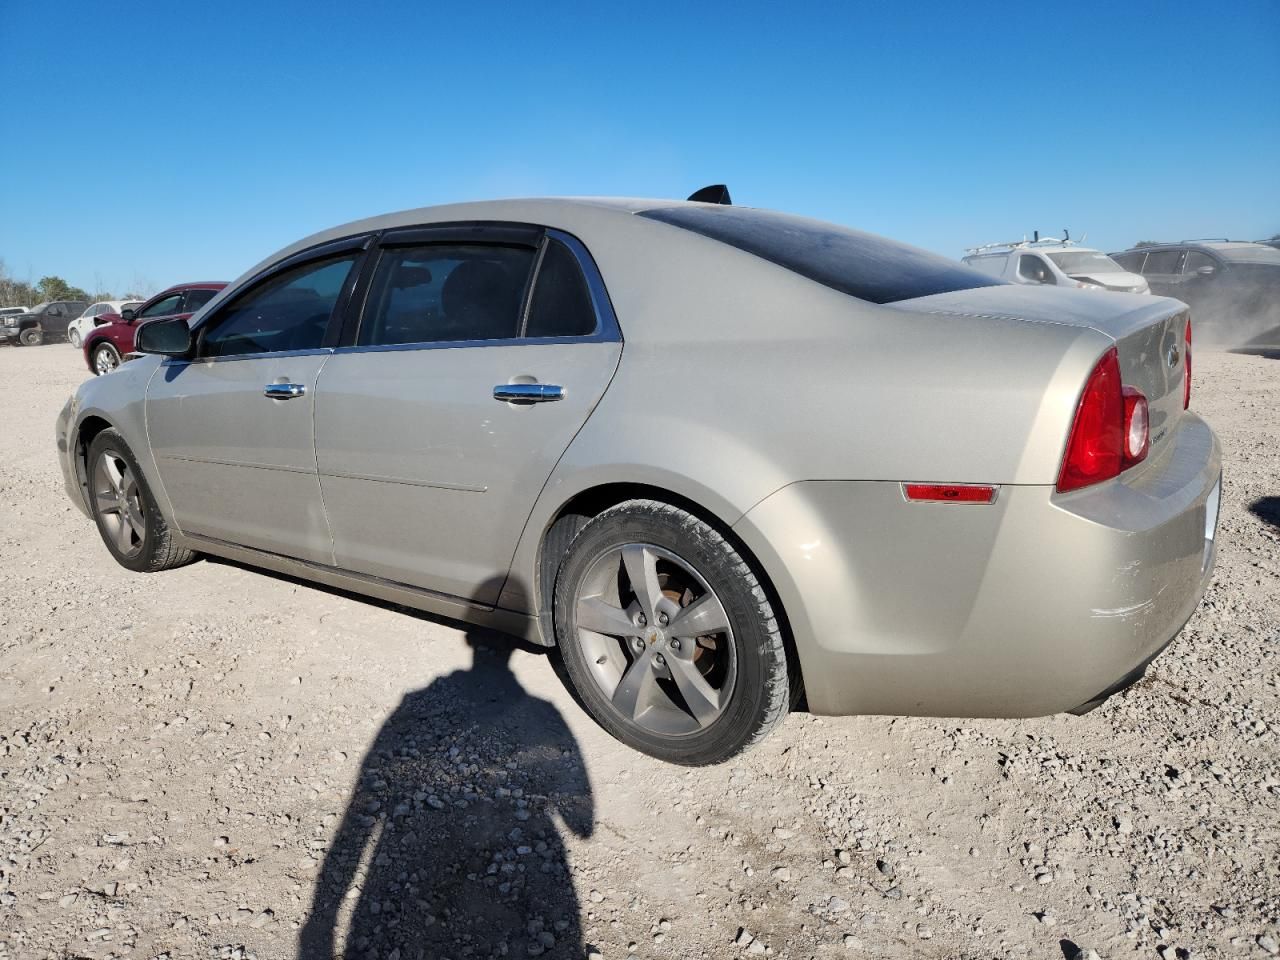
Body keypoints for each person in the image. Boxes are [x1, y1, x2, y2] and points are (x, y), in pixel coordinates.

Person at [300, 625, 594, 959]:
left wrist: (322, 919)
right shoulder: (543, 709)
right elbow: (582, 825)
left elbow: (364, 801)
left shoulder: (414, 701)